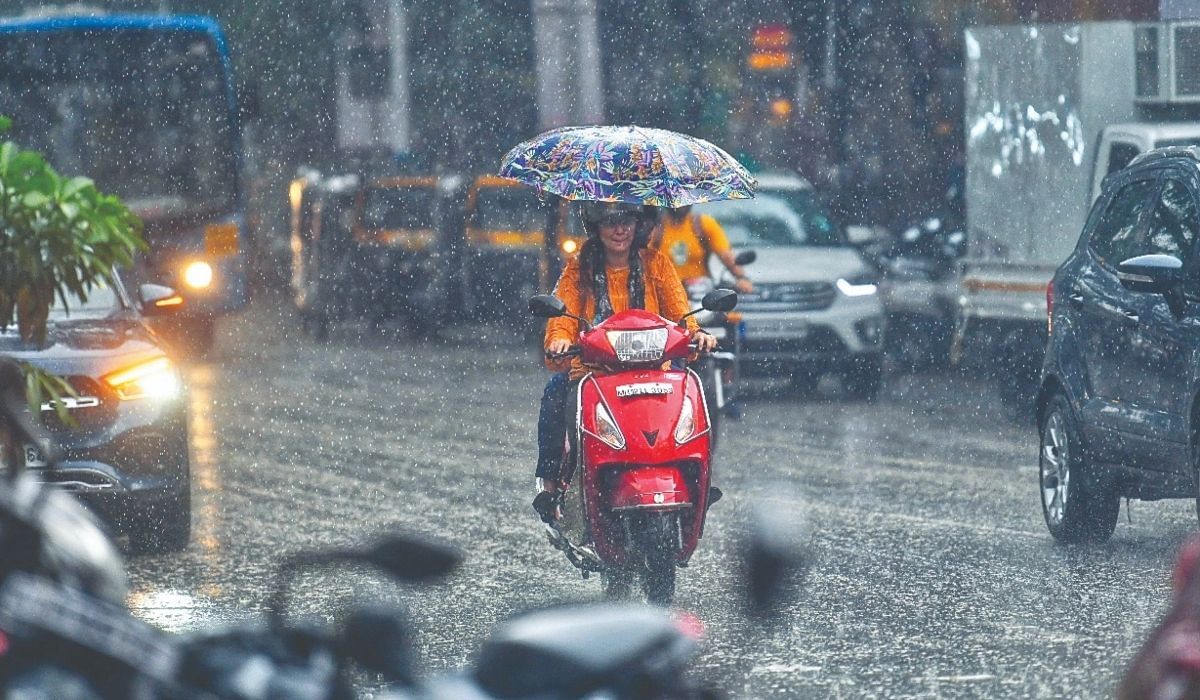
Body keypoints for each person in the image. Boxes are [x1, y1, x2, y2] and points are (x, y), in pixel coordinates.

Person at [533, 201, 717, 522]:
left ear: (638, 224)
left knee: (697, 396)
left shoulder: (656, 264)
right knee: (555, 394)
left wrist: (697, 334)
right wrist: (560, 339)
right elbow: (563, 316)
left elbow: (680, 315)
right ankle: (553, 488)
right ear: (595, 226)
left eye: (627, 220)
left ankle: (698, 478)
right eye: (610, 221)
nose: (620, 230)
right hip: (592, 374)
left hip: (653, 373)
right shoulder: (579, 269)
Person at [655, 206, 753, 294]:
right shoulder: (656, 228)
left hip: (700, 295)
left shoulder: (703, 224)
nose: (680, 204)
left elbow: (726, 255)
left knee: (732, 314)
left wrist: (741, 278)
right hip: (666, 295)